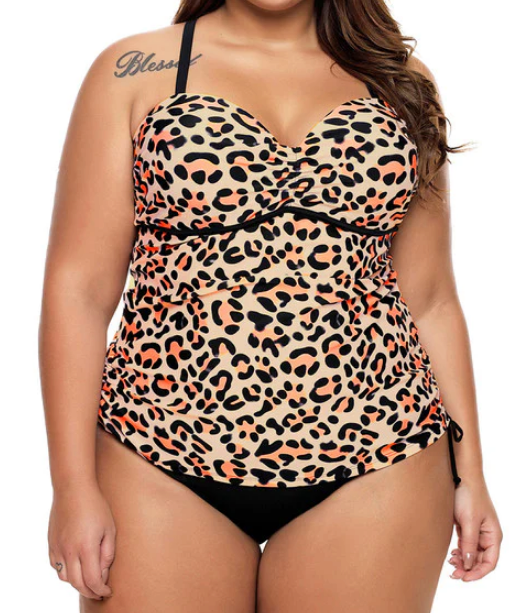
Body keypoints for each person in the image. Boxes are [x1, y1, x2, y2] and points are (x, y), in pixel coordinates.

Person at [39, 1, 503, 611]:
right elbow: (77, 291)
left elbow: (432, 298)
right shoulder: (133, 69)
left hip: (380, 453)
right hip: (157, 451)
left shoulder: (398, 78)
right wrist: (71, 486)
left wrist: (472, 473)